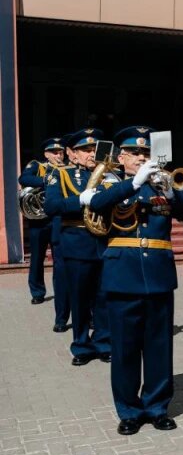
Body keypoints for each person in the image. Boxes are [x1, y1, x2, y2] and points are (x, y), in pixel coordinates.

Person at [89, 126, 183, 435]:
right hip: (122, 274)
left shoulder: (161, 184)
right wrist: (133, 184)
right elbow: (97, 204)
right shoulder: (110, 183)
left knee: (158, 347)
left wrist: (171, 193)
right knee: (124, 349)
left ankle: (156, 407)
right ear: (122, 156)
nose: (142, 158)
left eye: (146, 154)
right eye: (136, 153)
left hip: (158, 275)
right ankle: (128, 411)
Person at [43, 128, 113, 366]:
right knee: (80, 298)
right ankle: (82, 345)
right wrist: (80, 200)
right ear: (72, 154)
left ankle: (104, 342)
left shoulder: (108, 175)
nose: (91, 154)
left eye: (94, 149)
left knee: (104, 296)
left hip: (104, 241)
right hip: (77, 242)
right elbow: (52, 206)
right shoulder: (60, 174)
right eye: (85, 150)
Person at [18, 137, 65, 311]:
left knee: (59, 259)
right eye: (54, 152)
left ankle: (61, 291)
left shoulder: (67, 169)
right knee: (37, 257)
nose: (58, 155)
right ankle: (37, 293)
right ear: (46, 154)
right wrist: (46, 181)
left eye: (60, 152)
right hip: (39, 220)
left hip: (58, 219)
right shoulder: (38, 165)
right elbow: (23, 179)